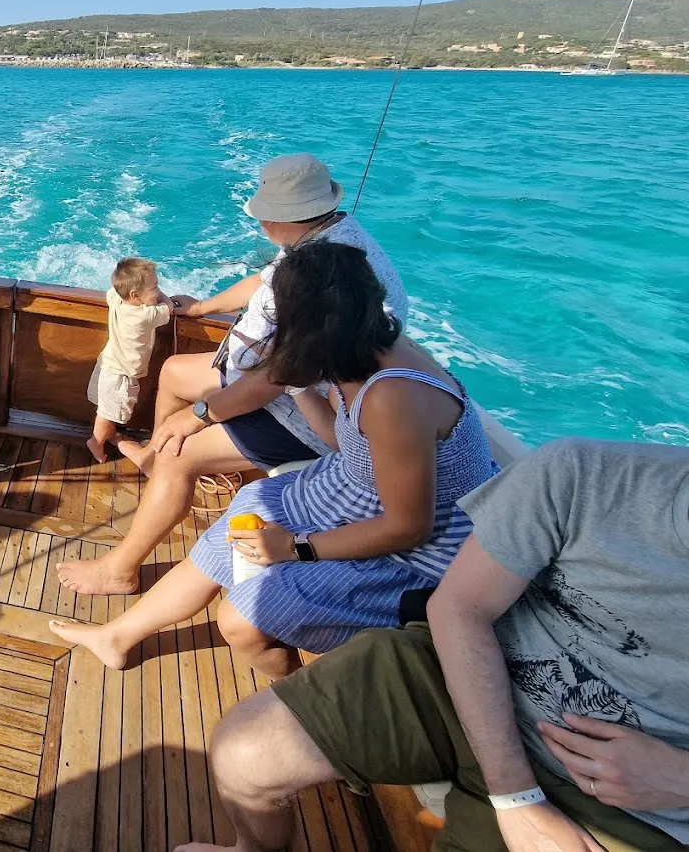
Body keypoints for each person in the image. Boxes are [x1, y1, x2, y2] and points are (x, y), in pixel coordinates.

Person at [177, 438, 689, 852]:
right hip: (472, 668)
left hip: (634, 796)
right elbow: (459, 609)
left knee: (247, 612)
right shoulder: (585, 475)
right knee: (244, 750)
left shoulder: (401, 393)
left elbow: (406, 525)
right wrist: (517, 798)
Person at [51, 241, 497, 679]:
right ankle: (119, 637)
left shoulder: (392, 397)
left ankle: (298, 704)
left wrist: (296, 548)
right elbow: (348, 445)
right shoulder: (367, 350)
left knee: (240, 620)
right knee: (239, 522)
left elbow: (410, 528)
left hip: (421, 558)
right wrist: (298, 383)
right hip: (357, 495)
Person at [58, 152, 408, 596]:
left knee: (178, 451)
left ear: (279, 218)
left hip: (302, 411)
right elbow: (265, 282)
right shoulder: (324, 239)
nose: (261, 223)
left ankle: (122, 566)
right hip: (261, 383)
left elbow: (277, 377)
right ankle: (157, 468)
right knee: (172, 372)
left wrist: (198, 415)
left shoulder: (324, 276)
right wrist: (201, 308)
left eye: (264, 214)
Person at [86, 258, 174, 464]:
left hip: (108, 364)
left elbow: (113, 291)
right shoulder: (144, 316)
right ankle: (95, 442)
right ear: (135, 295)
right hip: (121, 375)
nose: (159, 290)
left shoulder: (116, 300)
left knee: (108, 408)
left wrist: (146, 289)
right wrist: (163, 297)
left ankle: (109, 434)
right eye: (155, 287)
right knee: (107, 413)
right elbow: (168, 307)